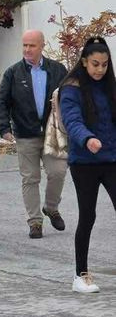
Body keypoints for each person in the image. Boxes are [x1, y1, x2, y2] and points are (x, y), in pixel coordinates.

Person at [0, 29, 69, 239]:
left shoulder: (57, 70)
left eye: (32, 45)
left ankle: (51, 207)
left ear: (42, 45)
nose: (27, 50)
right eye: (24, 45)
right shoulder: (13, 73)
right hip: (25, 134)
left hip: (52, 134)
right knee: (30, 179)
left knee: (58, 172)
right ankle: (35, 221)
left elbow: (70, 99)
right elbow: (2, 103)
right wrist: (4, 128)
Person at [58, 37, 116, 293]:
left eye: (104, 64)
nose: (100, 69)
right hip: (85, 162)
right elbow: (72, 120)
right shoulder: (72, 87)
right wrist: (87, 138)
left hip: (112, 158)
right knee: (88, 215)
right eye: (95, 64)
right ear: (84, 61)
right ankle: (80, 275)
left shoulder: (110, 86)